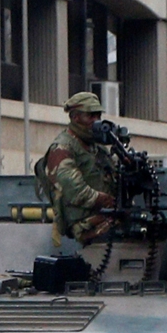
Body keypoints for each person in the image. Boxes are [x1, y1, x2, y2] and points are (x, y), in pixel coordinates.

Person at [37, 92, 117, 246]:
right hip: (83, 226)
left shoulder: (98, 148)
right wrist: (104, 200)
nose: (96, 121)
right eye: (90, 116)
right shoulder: (62, 147)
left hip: (106, 218)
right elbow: (74, 190)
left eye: (98, 116)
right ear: (75, 118)